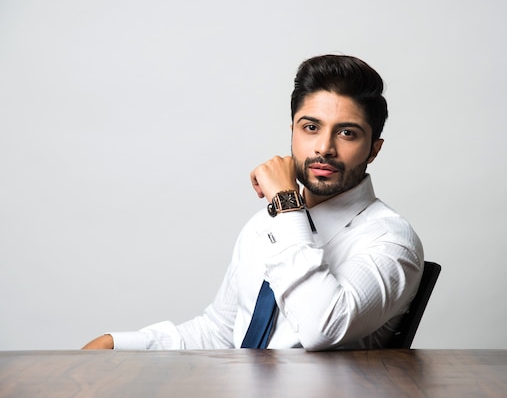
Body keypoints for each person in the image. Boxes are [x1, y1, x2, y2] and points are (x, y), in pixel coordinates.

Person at [82, 54, 424, 351]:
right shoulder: (266, 226)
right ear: (292, 131)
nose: (324, 147)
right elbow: (220, 332)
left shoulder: (391, 240)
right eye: (310, 127)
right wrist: (119, 343)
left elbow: (323, 327)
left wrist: (287, 205)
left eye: (347, 132)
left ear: (374, 150)